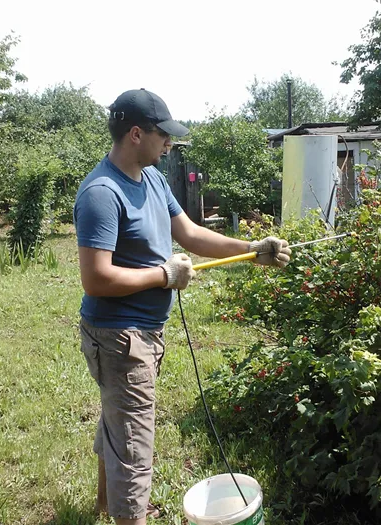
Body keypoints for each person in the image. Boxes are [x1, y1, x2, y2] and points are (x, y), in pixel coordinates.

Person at [73, 88, 291, 525]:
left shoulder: (152, 178)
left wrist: (252, 248)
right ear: (136, 134)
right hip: (120, 337)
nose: (169, 143)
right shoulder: (101, 193)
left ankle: (100, 505)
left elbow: (190, 234)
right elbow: (95, 278)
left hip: (142, 332)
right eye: (163, 135)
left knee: (120, 422)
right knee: (134, 447)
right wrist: (164, 276)